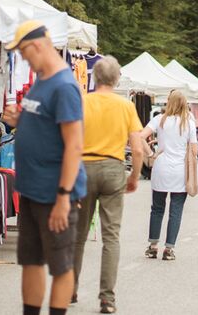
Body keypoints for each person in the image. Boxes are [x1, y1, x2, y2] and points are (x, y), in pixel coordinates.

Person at [1, 21, 87, 315]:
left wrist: (64, 197)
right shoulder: (41, 80)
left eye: (24, 52)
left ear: (37, 45)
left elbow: (74, 145)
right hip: (31, 189)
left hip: (54, 193)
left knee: (61, 265)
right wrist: (19, 120)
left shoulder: (64, 86)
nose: (24, 59)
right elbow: (45, 125)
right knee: (31, 261)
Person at [72, 56, 144, 314]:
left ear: (94, 77)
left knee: (78, 234)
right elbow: (137, 149)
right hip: (113, 168)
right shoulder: (126, 106)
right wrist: (134, 176)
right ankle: (107, 298)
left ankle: (69, 289)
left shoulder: (82, 102)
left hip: (84, 167)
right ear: (116, 80)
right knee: (111, 236)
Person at [140, 90, 197, 260]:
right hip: (180, 170)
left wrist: (151, 154)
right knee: (176, 210)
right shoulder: (189, 123)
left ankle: (152, 246)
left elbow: (140, 137)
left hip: (161, 167)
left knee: (157, 208)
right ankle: (169, 249)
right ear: (184, 103)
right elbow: (194, 150)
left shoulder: (159, 119)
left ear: (168, 102)